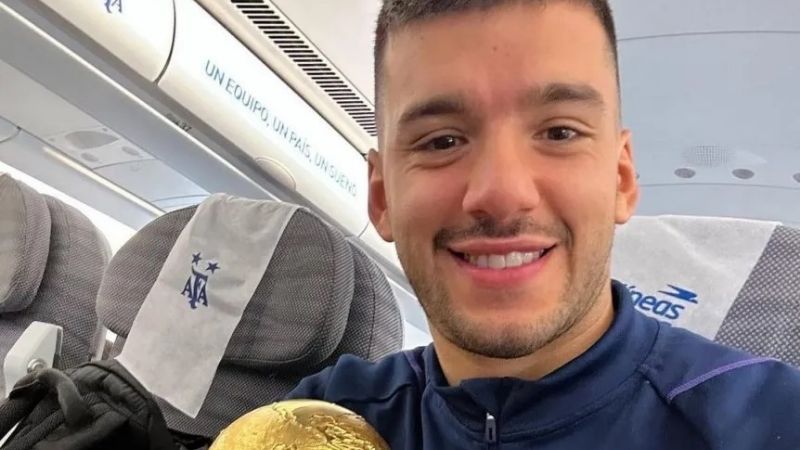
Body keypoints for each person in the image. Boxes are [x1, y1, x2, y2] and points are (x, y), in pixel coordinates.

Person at [287, 1, 800, 448]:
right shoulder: (316, 423)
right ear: (381, 198)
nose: (502, 193)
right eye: (441, 141)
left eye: (559, 132)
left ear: (621, 178)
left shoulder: (773, 421)